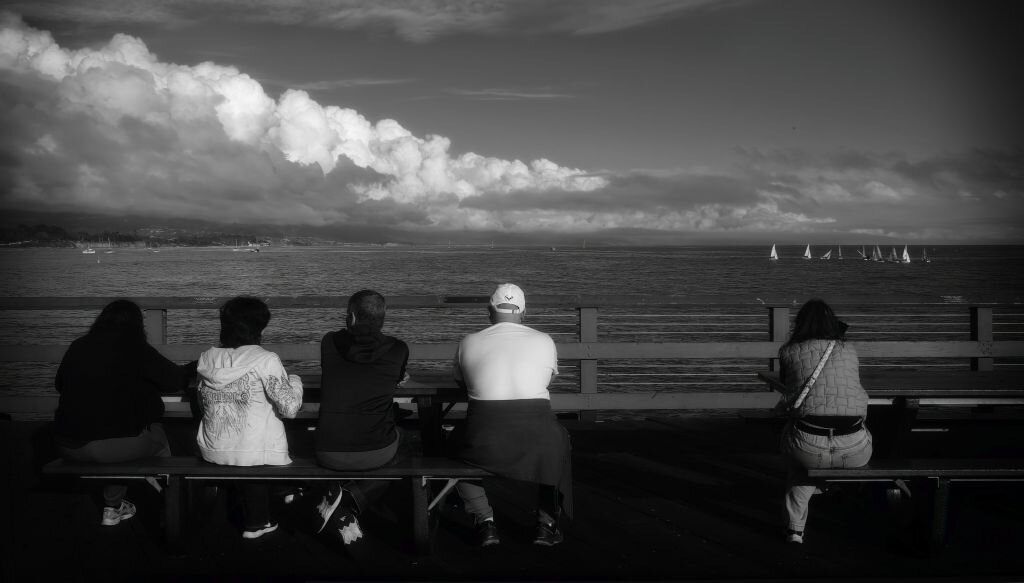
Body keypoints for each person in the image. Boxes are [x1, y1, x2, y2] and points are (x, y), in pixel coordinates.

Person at [451, 283, 572, 547]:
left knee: (452, 448)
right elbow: (545, 382)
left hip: (484, 440)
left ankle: (485, 521)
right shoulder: (544, 340)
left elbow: (462, 383)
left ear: (489, 311)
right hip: (539, 440)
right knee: (559, 441)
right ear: (524, 313)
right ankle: (546, 524)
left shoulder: (468, 342)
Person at [53, 299, 185, 526]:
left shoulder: (79, 345)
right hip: (108, 449)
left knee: (121, 434)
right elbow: (173, 380)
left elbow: (59, 384)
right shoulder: (135, 348)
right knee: (156, 437)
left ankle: (113, 509)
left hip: (66, 445)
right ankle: (171, 502)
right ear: (137, 325)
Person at [195, 296, 303, 539]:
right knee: (271, 425)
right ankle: (260, 520)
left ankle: (281, 489)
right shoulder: (265, 359)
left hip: (212, 450)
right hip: (254, 455)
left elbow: (202, 403)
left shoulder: (207, 359)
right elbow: (290, 408)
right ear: (260, 327)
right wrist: (295, 381)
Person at [313, 290, 410, 547]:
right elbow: (394, 375)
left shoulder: (328, 342)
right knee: (413, 442)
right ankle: (350, 498)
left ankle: (342, 497)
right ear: (383, 318)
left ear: (352, 317)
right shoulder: (399, 349)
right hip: (376, 453)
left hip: (326, 450)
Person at [776, 298, 872, 544]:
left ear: (799, 324)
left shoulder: (788, 351)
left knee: (799, 460)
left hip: (809, 448)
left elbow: (789, 389)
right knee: (862, 431)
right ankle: (830, 486)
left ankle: (795, 530)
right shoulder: (848, 350)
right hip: (854, 452)